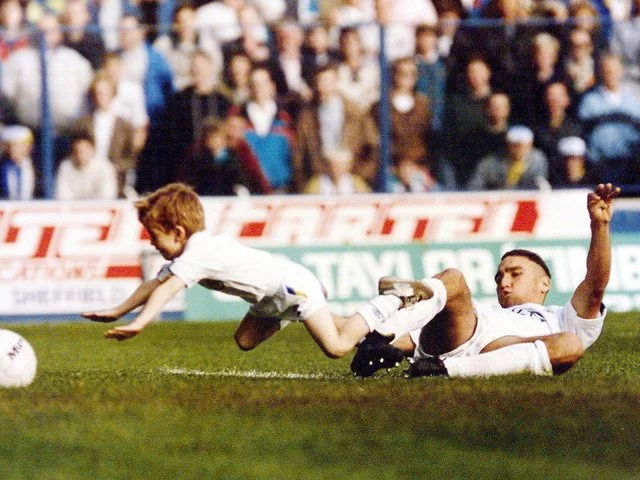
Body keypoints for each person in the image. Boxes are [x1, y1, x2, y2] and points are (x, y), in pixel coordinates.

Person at [81, 183, 431, 360]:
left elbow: (165, 290)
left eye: (154, 236)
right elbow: (152, 285)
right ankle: (401, 343)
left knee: (337, 347)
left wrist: (140, 323)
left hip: (291, 285)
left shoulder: (198, 252)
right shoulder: (191, 251)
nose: (152, 243)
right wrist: (116, 311)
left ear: (177, 232)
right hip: (274, 295)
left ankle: (389, 299)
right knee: (245, 341)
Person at [351, 183, 620, 378]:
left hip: (492, 354)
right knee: (454, 279)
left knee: (571, 343)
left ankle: (443, 371)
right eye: (499, 276)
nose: (504, 281)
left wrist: (600, 226)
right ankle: (381, 331)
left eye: (515, 273)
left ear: (544, 284)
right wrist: (343, 328)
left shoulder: (563, 318)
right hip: (462, 334)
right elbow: (409, 338)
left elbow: (595, 287)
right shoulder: (483, 311)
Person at [54, 133, 118, 200]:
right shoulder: (66, 167)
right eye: (77, 151)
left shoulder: (105, 167)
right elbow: (62, 196)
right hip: (74, 209)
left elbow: (108, 196)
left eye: (84, 150)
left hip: (99, 208)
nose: (80, 155)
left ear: (92, 149)